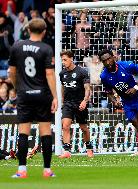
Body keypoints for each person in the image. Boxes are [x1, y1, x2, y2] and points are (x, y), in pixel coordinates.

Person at [8, 18, 58, 178]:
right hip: (42, 94)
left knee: (23, 131)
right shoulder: (45, 48)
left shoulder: (17, 46)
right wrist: (55, 96)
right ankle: (47, 170)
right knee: (45, 132)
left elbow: (11, 72)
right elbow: (49, 74)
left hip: (24, 94)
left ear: (28, 30)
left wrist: (17, 88)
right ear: (44, 32)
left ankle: (22, 170)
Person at [59, 50, 94, 158]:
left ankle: (89, 148)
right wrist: (62, 101)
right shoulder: (62, 73)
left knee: (83, 128)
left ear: (71, 59)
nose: (63, 62)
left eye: (65, 60)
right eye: (62, 60)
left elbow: (88, 88)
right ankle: (67, 151)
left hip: (80, 103)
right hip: (68, 103)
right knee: (65, 126)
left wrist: (85, 100)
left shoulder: (82, 72)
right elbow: (63, 87)